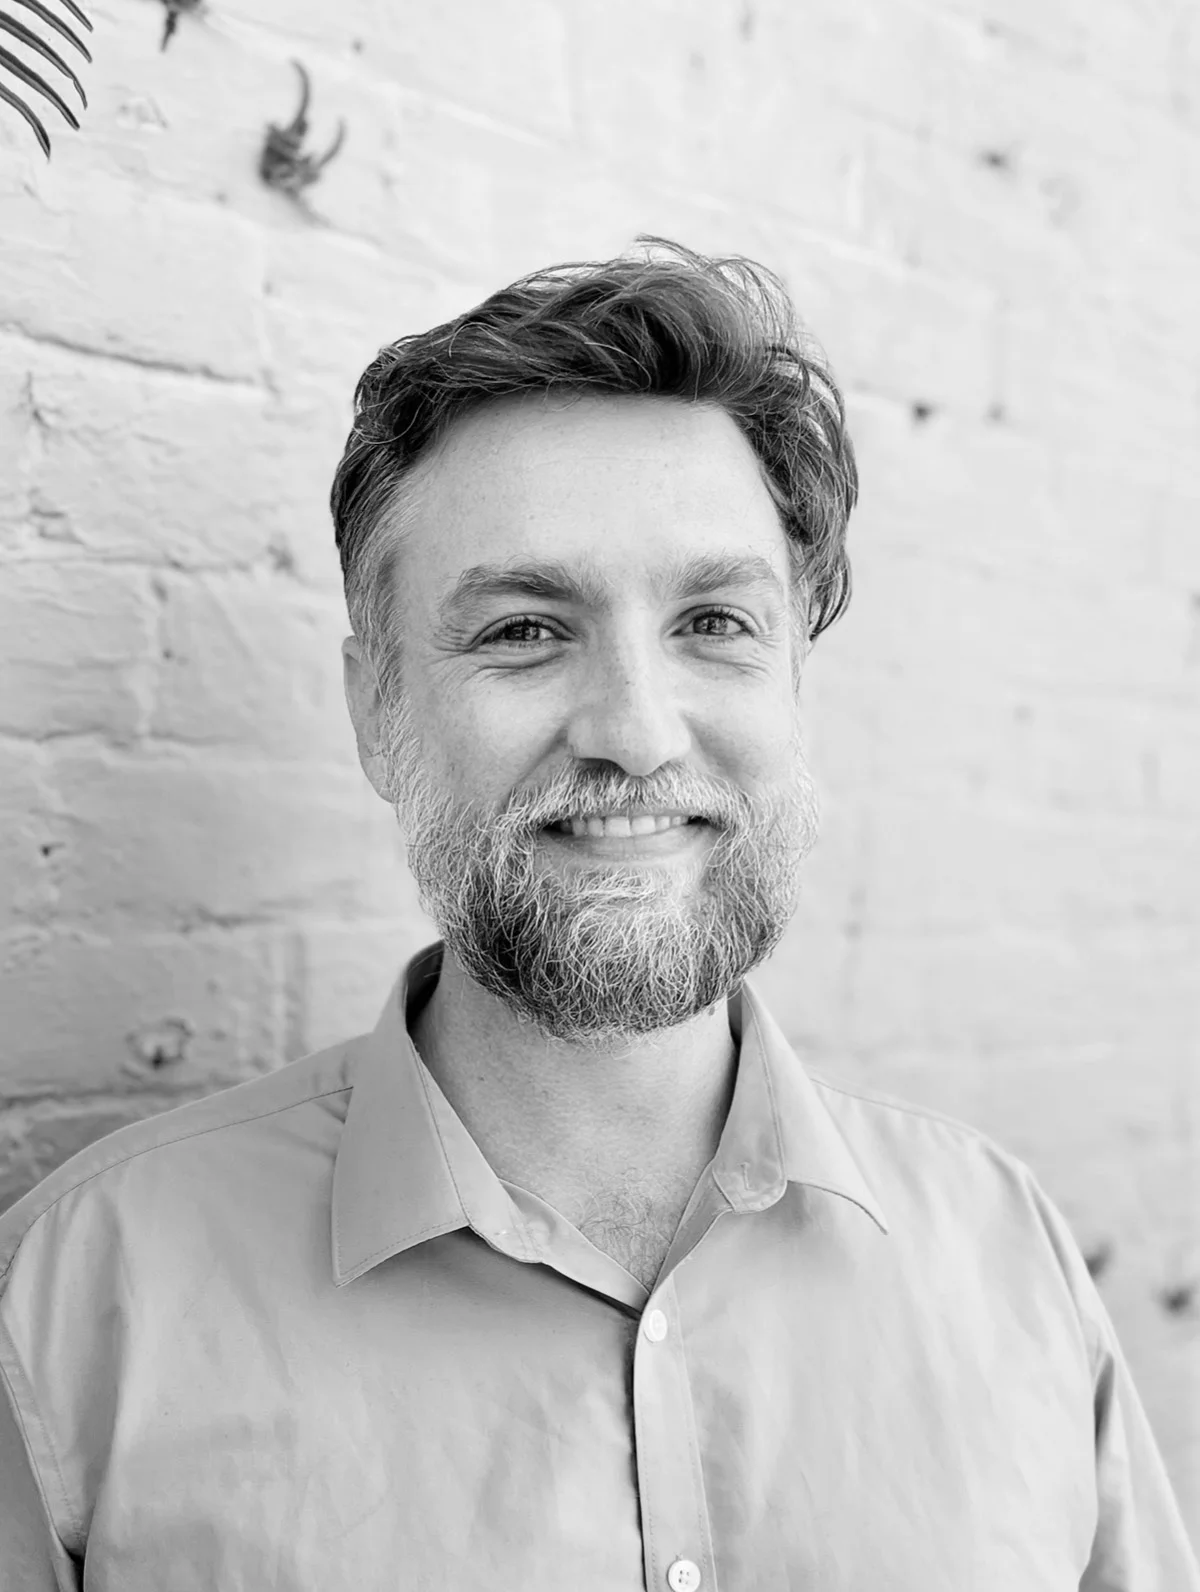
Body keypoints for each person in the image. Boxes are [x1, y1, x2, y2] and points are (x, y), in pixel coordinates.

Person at [0, 239, 1195, 1591]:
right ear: (375, 710)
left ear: (795, 679)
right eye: (522, 628)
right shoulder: (80, 1306)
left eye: (715, 622)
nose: (634, 729)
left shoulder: (1008, 1258)